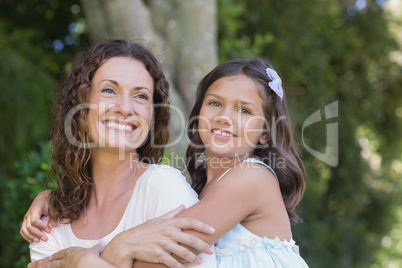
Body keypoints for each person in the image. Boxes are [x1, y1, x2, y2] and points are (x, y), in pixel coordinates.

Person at [22, 57, 309, 267]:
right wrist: (51, 196)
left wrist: (85, 258)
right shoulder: (204, 191)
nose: (225, 116)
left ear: (263, 134)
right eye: (215, 103)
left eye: (244, 110)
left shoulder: (251, 179)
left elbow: (159, 259)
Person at [22, 39, 217, 268]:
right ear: (80, 106)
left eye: (141, 95)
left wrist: (86, 261)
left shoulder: (163, 187)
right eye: (108, 90)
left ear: (152, 116)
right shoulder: (49, 220)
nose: (125, 108)